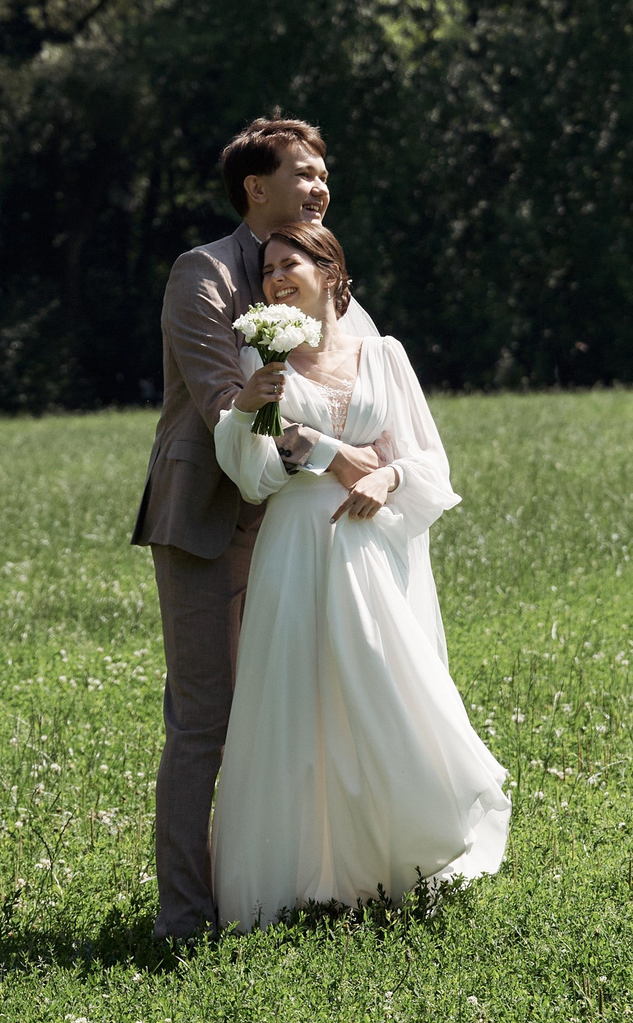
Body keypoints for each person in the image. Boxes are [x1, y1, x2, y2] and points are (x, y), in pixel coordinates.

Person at [210, 220, 510, 927]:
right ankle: (295, 887)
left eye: (291, 264)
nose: (276, 278)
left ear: (330, 271)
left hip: (367, 545)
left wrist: (388, 476)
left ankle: (401, 862)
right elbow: (255, 476)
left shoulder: (385, 355)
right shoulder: (259, 355)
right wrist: (245, 414)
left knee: (385, 691)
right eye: (267, 271)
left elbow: (429, 463)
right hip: (295, 543)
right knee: (299, 698)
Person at [135, 115, 383, 941]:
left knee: (292, 711)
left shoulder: (319, 272)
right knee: (205, 721)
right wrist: (332, 453)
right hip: (208, 519)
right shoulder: (200, 276)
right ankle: (182, 921)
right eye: (306, 173)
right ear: (257, 187)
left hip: (293, 535)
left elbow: (358, 380)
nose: (320, 186)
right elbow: (225, 411)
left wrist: (375, 464)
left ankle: (282, 891)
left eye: (323, 174)